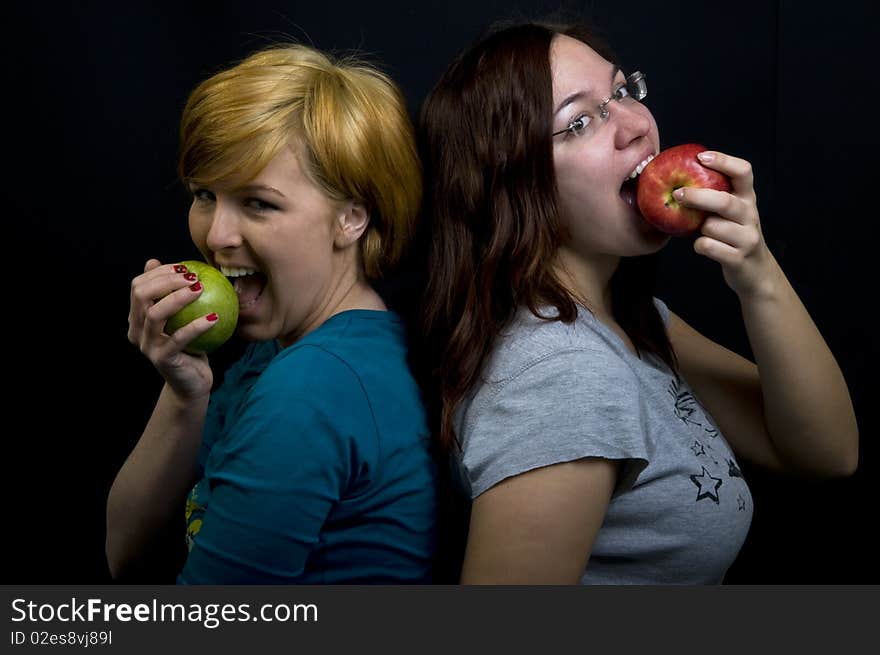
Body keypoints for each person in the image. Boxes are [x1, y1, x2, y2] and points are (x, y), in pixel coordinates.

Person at [415, 20, 859, 584]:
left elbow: (826, 451)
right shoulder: (560, 375)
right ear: (511, 185)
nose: (633, 127)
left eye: (621, 92)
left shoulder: (632, 320)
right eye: (577, 122)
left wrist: (756, 272)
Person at [106, 43, 437, 583]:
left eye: (259, 203)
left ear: (351, 218)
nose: (216, 236)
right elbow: (126, 556)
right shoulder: (284, 352)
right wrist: (183, 394)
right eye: (205, 195)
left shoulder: (310, 389)